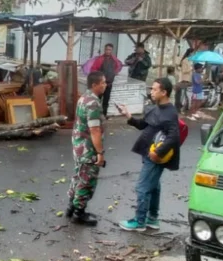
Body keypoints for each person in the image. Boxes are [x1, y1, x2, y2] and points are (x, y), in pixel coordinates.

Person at [117, 78, 180, 232]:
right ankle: (152, 218)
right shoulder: (154, 108)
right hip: (147, 152)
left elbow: (174, 137)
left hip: (156, 156)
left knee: (142, 187)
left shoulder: (170, 113)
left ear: (164, 92)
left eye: (155, 89)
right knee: (154, 187)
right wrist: (128, 116)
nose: (151, 92)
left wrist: (158, 153)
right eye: (151, 89)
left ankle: (139, 222)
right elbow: (143, 125)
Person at [66, 71, 109, 226]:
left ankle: (71, 207)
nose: (105, 85)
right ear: (94, 85)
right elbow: (95, 130)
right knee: (87, 179)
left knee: (78, 175)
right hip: (87, 148)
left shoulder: (84, 97)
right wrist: (99, 153)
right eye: (103, 82)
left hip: (78, 145)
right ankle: (79, 213)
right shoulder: (93, 103)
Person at [83, 44, 122, 116]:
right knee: (97, 99)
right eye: (106, 49)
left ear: (111, 50)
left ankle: (104, 115)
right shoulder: (100, 59)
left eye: (109, 50)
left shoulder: (114, 59)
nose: (108, 51)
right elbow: (93, 69)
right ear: (104, 50)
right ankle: (94, 114)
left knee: (106, 100)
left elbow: (118, 66)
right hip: (100, 84)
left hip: (109, 84)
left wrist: (114, 73)